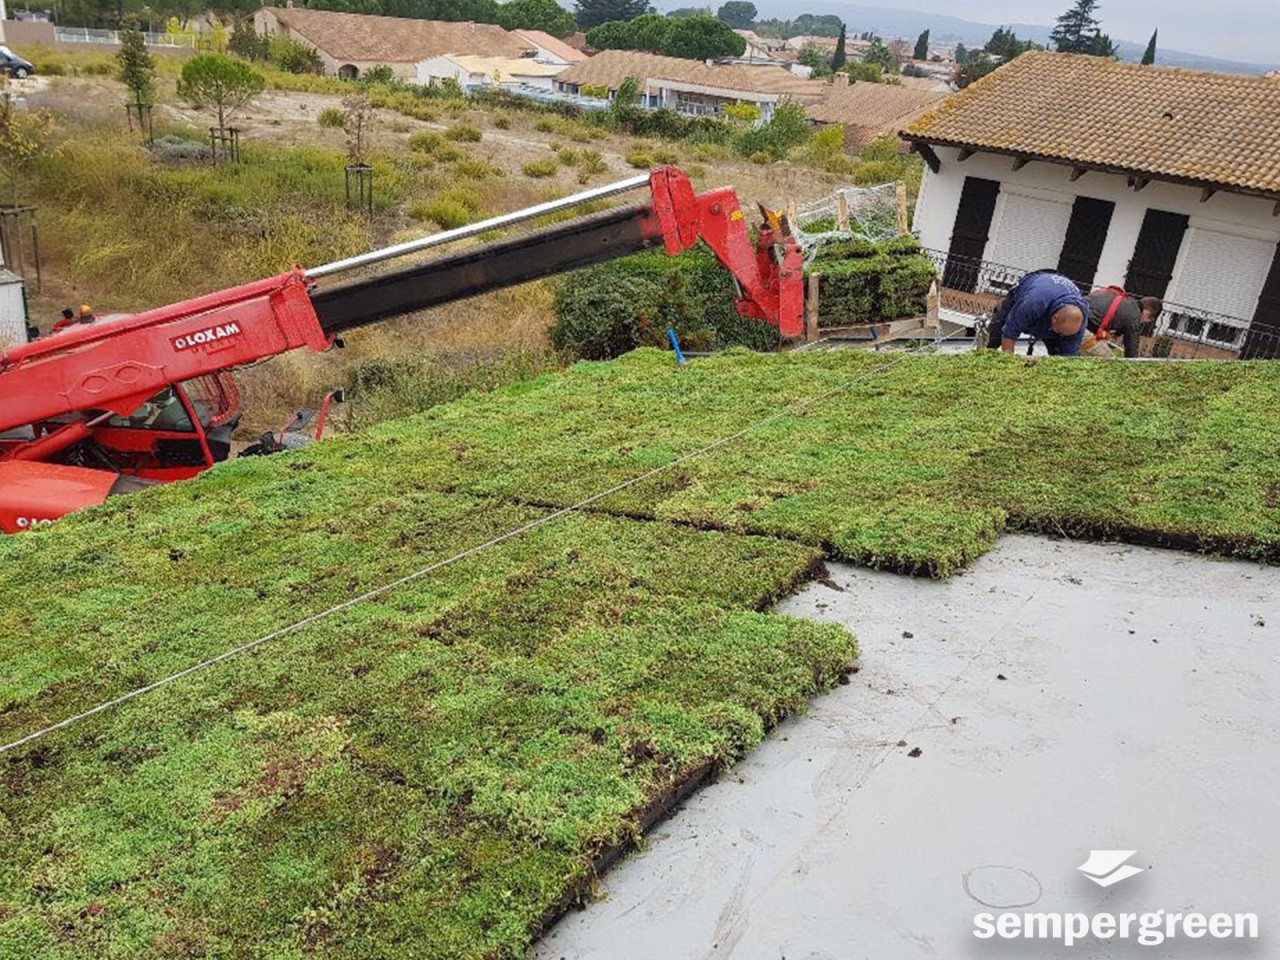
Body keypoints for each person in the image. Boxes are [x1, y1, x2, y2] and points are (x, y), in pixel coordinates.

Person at [986, 270, 1090, 356]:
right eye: (1060, 332)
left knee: (1059, 352)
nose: (1061, 335)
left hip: (1050, 304)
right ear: (1055, 318)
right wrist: (1008, 367)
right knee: (993, 337)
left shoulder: (1078, 321)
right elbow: (1009, 334)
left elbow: (1069, 356)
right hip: (1029, 291)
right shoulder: (1033, 302)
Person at [1086, 288, 1162, 359]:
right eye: (1147, 321)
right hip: (1083, 328)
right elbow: (1131, 351)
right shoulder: (1134, 316)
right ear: (1148, 314)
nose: (1142, 323)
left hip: (1080, 317)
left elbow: (1098, 327)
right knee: (1111, 361)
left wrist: (1108, 337)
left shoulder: (1123, 300)